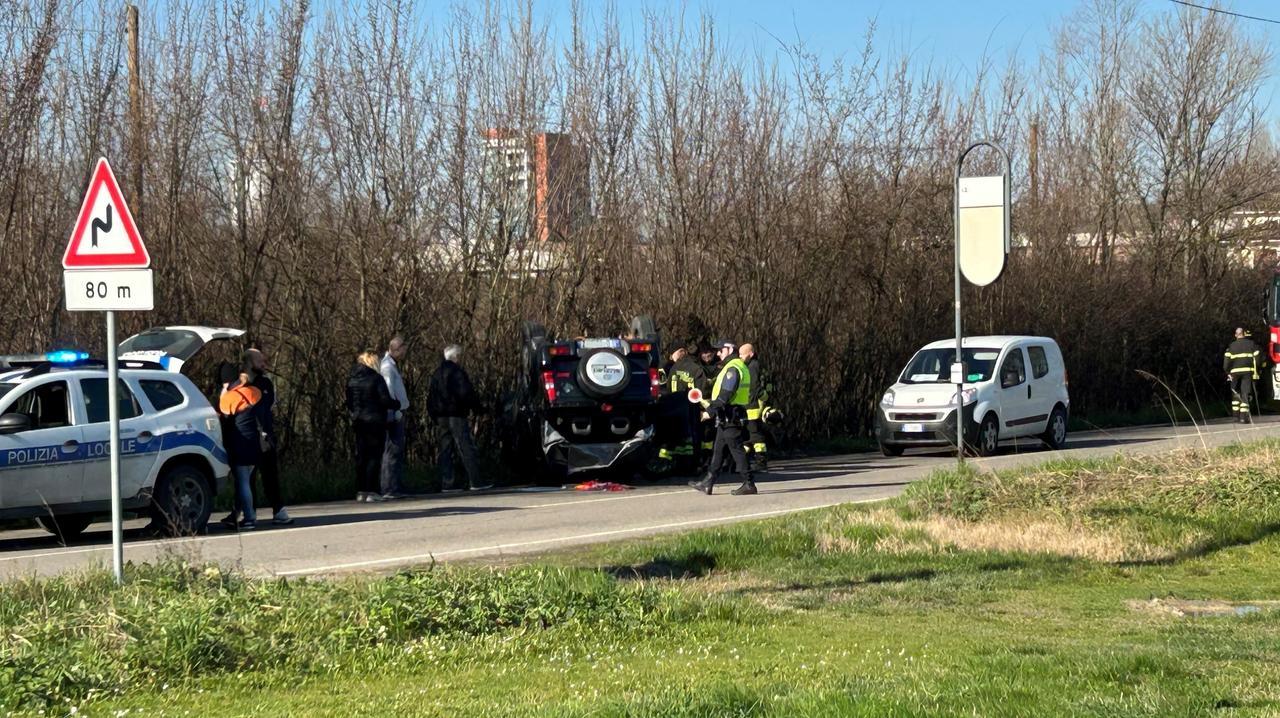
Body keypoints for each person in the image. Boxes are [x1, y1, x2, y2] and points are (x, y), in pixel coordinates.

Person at [689, 339, 756, 496]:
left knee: (736, 450)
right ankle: (708, 482)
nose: (718, 353)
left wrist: (709, 412)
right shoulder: (735, 366)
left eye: (721, 350)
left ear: (730, 350)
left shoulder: (733, 368)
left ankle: (749, 483)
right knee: (718, 450)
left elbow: (726, 394)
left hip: (730, 415)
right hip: (728, 415)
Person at [427, 344, 490, 491]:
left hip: (441, 416)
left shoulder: (436, 373)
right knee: (465, 447)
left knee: (445, 449)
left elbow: (431, 397)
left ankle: (447, 483)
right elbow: (466, 393)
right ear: (456, 357)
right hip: (456, 414)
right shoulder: (457, 372)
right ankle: (475, 481)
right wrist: (479, 409)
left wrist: (433, 415)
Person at [218, 361, 268, 530]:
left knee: (243, 482)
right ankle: (240, 514)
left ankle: (249, 518)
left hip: (240, 444)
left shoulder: (229, 398)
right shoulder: (254, 391)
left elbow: (223, 419)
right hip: (255, 443)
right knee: (245, 482)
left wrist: (223, 393)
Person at [244, 348, 291, 525]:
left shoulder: (265, 383)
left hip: (266, 435)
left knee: (270, 475)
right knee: (248, 478)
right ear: (249, 362)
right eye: (260, 361)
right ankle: (249, 513)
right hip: (247, 437)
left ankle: (279, 510)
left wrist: (265, 432)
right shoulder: (241, 384)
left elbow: (267, 406)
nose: (264, 364)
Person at [347, 350, 400, 502]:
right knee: (374, 456)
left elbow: (349, 401)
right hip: (375, 421)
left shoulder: (352, 379)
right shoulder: (376, 378)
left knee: (361, 456)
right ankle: (372, 490)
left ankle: (361, 490)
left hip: (359, 421)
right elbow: (385, 400)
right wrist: (396, 404)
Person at [380, 336, 411, 499]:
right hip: (394, 413)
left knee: (396, 450)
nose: (404, 353)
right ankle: (389, 488)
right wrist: (396, 411)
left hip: (396, 411)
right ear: (396, 349)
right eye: (403, 350)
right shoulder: (387, 367)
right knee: (392, 450)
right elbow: (389, 390)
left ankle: (394, 486)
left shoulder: (391, 365)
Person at [739, 343, 770, 471]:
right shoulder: (754, 365)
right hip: (749, 405)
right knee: (747, 436)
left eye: (742, 354)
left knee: (755, 436)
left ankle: (760, 461)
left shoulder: (752, 367)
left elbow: (754, 386)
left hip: (752, 406)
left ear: (750, 354)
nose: (740, 357)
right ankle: (744, 461)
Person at [1224, 327, 1261, 424]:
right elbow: (1257, 360)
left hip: (1234, 373)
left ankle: (1235, 416)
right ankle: (1243, 417)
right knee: (1245, 393)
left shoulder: (1231, 346)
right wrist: (1257, 371)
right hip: (1247, 372)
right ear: (1244, 334)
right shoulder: (1251, 344)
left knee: (1235, 392)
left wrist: (1228, 372)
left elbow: (1226, 362)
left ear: (1236, 335)